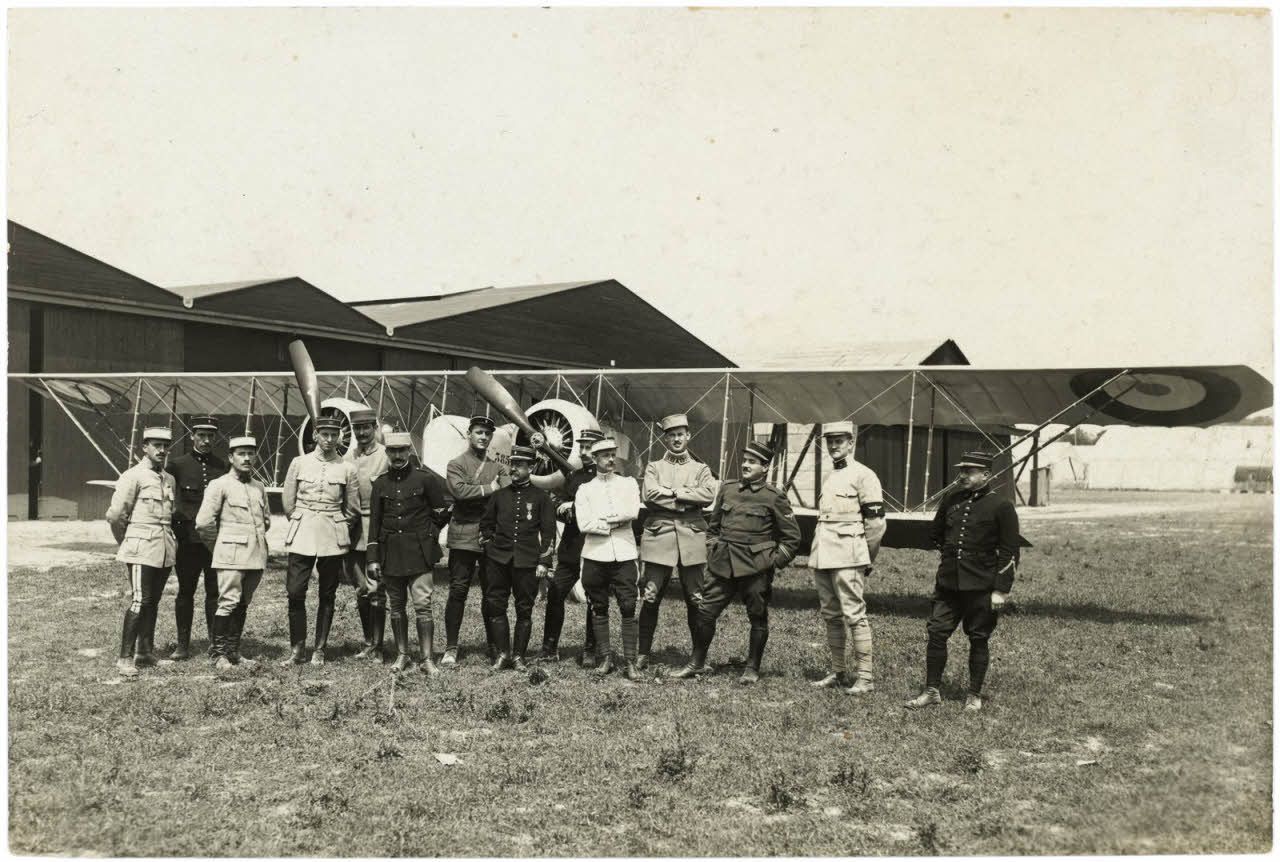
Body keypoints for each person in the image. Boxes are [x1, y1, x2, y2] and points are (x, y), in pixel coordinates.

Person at [676, 441, 801, 683]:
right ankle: (696, 663)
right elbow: (713, 527)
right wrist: (713, 548)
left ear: (765, 467)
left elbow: (792, 538)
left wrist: (771, 563)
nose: (745, 465)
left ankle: (752, 668)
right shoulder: (728, 489)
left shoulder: (774, 497)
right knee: (705, 612)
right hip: (722, 564)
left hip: (756, 568)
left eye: (752, 462)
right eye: (744, 460)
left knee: (757, 616)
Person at [905, 451, 1019, 713]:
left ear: (986, 475)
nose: (962, 475)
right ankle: (931, 691)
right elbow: (936, 533)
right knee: (936, 633)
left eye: (969, 471)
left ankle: (974, 695)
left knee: (978, 638)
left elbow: (1010, 551)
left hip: (981, 585)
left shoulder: (1001, 506)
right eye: (962, 470)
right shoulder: (951, 500)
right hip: (948, 583)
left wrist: (1001, 590)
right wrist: (952, 557)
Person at [808, 421, 887, 695]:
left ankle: (865, 677)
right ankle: (838, 671)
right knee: (830, 614)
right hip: (823, 554)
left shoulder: (864, 475)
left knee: (854, 614)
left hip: (848, 555)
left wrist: (866, 558)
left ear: (851, 442)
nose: (833, 446)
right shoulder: (831, 475)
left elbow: (875, 524)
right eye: (830, 441)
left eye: (839, 441)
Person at [366, 432, 452, 674]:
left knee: (423, 605)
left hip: (419, 553)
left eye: (402, 450)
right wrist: (373, 558)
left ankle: (427, 659)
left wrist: (429, 535)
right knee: (396, 606)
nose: (397, 455)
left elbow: (442, 512)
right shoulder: (380, 484)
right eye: (392, 451)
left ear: (409, 451)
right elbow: (374, 523)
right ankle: (402, 655)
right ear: (387, 453)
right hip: (390, 553)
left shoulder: (425, 480)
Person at [638, 414, 718, 669]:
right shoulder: (654, 467)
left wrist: (673, 493)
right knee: (651, 595)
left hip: (691, 536)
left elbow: (708, 495)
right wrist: (687, 500)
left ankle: (697, 657)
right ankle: (642, 654)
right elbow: (650, 495)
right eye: (671, 435)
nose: (676, 439)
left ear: (688, 436)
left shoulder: (701, 469)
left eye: (680, 434)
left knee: (695, 598)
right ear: (665, 439)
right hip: (659, 534)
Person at [280, 414, 360, 666]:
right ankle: (297, 648)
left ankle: (319, 649)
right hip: (302, 532)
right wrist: (302, 520)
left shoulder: (347, 468)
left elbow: (352, 509)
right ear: (315, 435)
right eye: (324, 434)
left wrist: (337, 526)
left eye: (334, 435)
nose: (329, 439)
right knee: (295, 592)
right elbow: (288, 502)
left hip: (331, 535)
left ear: (339, 438)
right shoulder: (299, 463)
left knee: (328, 593)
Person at [105, 427, 178, 678]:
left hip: (164, 547)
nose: (162, 450)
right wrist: (127, 542)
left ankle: (144, 652)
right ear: (144, 447)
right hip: (140, 547)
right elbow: (116, 515)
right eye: (156, 445)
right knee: (140, 600)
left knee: (152, 601)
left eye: (165, 446)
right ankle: (124, 658)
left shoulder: (168, 479)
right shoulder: (133, 476)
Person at [194, 435, 270, 671]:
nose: (246, 458)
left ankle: (233, 651)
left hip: (255, 556)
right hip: (230, 555)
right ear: (230, 457)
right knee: (228, 602)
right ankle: (219, 654)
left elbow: (265, 521)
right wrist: (220, 546)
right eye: (241, 454)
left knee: (242, 603)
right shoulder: (219, 485)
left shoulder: (259, 487)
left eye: (250, 453)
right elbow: (203, 523)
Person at [480, 446, 557, 671]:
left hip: (527, 561)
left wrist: (544, 562)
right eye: (512, 464)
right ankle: (503, 654)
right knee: (496, 605)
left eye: (520, 465)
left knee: (524, 609)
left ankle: (518, 657)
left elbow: (549, 533)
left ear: (530, 468)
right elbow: (486, 525)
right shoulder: (499, 496)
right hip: (498, 561)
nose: (513, 469)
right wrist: (491, 548)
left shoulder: (542, 498)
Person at [442, 415, 509, 666]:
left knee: (491, 592)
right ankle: (451, 647)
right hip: (462, 535)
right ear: (468, 434)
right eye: (479, 432)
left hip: (489, 536)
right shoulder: (456, 464)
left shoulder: (498, 467)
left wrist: (480, 492)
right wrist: (489, 489)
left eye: (487, 434)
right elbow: (459, 491)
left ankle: (493, 645)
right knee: (458, 590)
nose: (483, 437)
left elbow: (506, 492)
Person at [575, 437, 644, 681]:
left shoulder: (628, 483)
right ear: (594, 459)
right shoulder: (585, 489)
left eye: (613, 454)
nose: (611, 459)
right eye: (605, 455)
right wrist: (615, 522)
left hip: (624, 552)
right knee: (598, 605)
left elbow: (633, 512)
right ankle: (604, 658)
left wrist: (603, 519)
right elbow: (584, 524)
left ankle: (630, 662)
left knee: (628, 605)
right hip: (595, 554)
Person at [538, 427, 604, 664]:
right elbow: (557, 503)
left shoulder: (607, 479)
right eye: (581, 447)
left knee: (594, 599)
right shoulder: (574, 477)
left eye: (589, 448)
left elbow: (603, 510)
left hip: (595, 548)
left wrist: (574, 508)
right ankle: (549, 648)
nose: (583, 452)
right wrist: (561, 510)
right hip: (571, 548)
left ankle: (590, 650)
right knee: (556, 593)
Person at [164, 416, 227, 659]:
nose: (206, 440)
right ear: (192, 436)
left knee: (214, 593)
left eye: (211, 436)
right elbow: (171, 502)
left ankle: (215, 643)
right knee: (185, 592)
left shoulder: (222, 467)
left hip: (213, 541)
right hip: (187, 540)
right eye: (201, 435)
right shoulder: (177, 466)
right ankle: (182, 645)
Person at [344, 407, 390, 660]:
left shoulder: (386, 456)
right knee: (361, 589)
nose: (361, 433)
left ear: (375, 428)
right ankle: (368, 641)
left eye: (366, 427)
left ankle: (379, 646)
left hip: (377, 531)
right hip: (352, 532)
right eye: (357, 428)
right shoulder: (347, 458)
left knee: (377, 589)